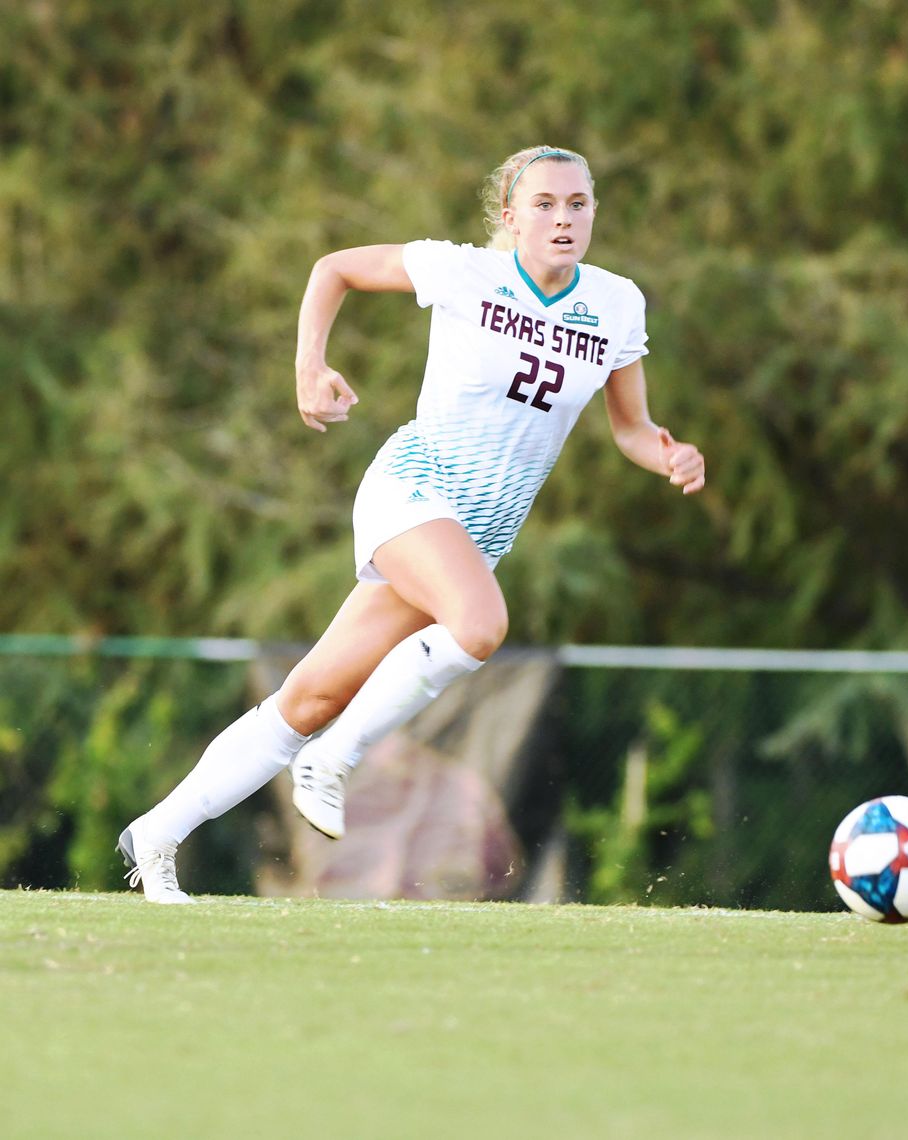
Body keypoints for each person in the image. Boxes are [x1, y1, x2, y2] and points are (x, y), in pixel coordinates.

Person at [118, 145, 706, 903]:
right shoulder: (465, 272)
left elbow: (631, 427)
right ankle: (334, 763)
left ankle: (155, 833)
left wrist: (670, 456)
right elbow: (334, 268)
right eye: (545, 203)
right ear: (510, 216)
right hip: (413, 488)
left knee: (311, 700)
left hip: (477, 535)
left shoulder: (619, 303)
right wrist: (309, 368)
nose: (564, 218)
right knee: (480, 623)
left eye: (579, 204)